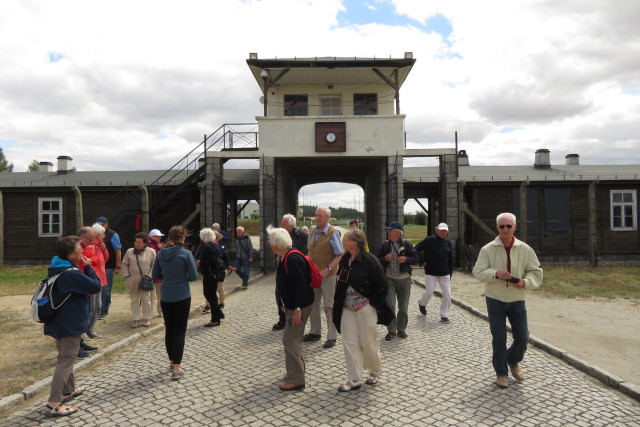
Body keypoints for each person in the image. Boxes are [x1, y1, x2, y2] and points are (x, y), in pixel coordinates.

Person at [472, 212, 543, 389]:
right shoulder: (488, 249)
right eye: (502, 226)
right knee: (499, 337)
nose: (505, 229)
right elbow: (478, 272)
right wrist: (495, 273)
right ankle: (501, 373)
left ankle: (513, 360)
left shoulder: (525, 249)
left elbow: (536, 272)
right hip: (494, 299)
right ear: (497, 228)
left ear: (514, 227)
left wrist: (525, 282)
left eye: (508, 226)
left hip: (517, 299)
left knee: (522, 336)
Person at [43, 236, 101, 417]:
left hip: (58, 321)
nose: (81, 250)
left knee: (66, 356)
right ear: (70, 254)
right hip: (69, 323)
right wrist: (89, 267)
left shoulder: (57, 268)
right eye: (78, 248)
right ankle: (53, 403)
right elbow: (95, 286)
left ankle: (69, 391)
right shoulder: (70, 273)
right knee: (66, 360)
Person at [333, 229, 394, 392]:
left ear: (355, 243)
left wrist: (372, 303)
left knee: (368, 340)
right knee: (349, 341)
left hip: (365, 306)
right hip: (347, 307)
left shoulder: (370, 260)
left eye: (345, 239)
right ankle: (354, 379)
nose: (343, 242)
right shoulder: (346, 258)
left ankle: (375, 369)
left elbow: (382, 284)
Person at [267, 225, 314, 392]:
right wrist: (283, 302)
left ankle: (296, 379)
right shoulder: (286, 256)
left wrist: (297, 310)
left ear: (276, 244)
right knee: (294, 340)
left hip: (299, 306)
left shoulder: (292, 258)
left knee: (289, 340)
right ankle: (296, 372)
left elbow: (301, 286)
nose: (269, 245)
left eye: (270, 242)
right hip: (293, 306)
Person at [152, 226, 198, 380]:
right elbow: (193, 276)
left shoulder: (160, 254)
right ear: (183, 238)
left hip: (166, 296)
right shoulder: (186, 254)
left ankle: (172, 360)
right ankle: (177, 369)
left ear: (170, 238)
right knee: (180, 331)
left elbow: (156, 275)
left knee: (169, 329)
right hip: (182, 296)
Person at [304, 206, 345, 349]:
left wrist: (328, 269)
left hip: (328, 275)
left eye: (320, 216)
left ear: (328, 218)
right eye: (316, 215)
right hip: (313, 275)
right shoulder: (312, 231)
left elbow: (339, 254)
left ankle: (332, 336)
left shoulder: (333, 233)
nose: (317, 218)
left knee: (329, 305)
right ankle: (315, 332)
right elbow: (309, 251)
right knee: (313, 304)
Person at [377, 221, 418, 341]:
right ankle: (391, 330)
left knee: (403, 307)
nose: (388, 232)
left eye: (390, 230)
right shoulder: (385, 245)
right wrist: (385, 258)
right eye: (388, 230)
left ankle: (401, 329)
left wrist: (406, 259)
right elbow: (377, 260)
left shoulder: (407, 244)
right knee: (390, 305)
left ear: (398, 232)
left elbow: (416, 259)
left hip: (404, 280)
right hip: (389, 279)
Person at [272, 213, 306, 331]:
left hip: (293, 267)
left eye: (283, 223)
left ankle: (294, 316)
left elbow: (305, 252)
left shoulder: (301, 235)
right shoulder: (280, 234)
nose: (281, 225)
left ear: (291, 225)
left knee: (293, 294)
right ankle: (282, 319)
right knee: (279, 294)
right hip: (282, 267)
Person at [415, 222, 453, 323]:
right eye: (441, 231)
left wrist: (450, 274)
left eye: (445, 231)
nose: (443, 233)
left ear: (447, 232)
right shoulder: (429, 240)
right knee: (429, 292)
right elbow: (416, 249)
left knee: (447, 294)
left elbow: (450, 260)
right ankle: (422, 304)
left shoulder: (448, 243)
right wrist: (422, 261)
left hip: (445, 273)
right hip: (430, 272)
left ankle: (444, 315)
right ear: (437, 231)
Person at [121, 232, 157, 328]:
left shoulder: (151, 251)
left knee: (146, 299)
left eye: (139, 242)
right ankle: (135, 319)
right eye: (136, 242)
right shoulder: (129, 251)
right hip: (132, 280)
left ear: (145, 243)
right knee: (134, 300)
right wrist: (126, 276)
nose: (136, 244)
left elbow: (155, 265)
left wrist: (150, 276)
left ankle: (147, 318)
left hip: (146, 280)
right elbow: (124, 264)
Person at [198, 228, 229, 327]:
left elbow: (212, 260)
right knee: (212, 295)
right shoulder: (217, 246)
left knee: (209, 295)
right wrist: (227, 265)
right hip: (216, 273)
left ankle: (215, 319)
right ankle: (218, 313)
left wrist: (200, 262)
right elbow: (225, 257)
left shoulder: (207, 247)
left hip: (210, 274)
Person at [86, 223, 109, 339]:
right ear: (98, 234)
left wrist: (104, 250)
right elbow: (92, 262)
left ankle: (90, 328)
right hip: (94, 279)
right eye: (103, 234)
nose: (104, 236)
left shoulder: (100, 245)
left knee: (98, 306)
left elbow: (105, 259)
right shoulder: (91, 246)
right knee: (92, 307)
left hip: (99, 278)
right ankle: (86, 330)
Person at [97, 217, 122, 319]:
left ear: (106, 224)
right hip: (97, 266)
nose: (100, 226)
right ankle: (98, 309)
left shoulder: (113, 234)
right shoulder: (95, 234)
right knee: (97, 289)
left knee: (106, 289)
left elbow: (118, 250)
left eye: (102, 224)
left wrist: (118, 266)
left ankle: (104, 310)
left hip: (109, 266)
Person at [147, 229, 165, 318]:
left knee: (160, 294)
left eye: (160, 236)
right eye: (157, 236)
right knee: (151, 295)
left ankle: (160, 310)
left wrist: (161, 247)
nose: (159, 238)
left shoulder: (162, 246)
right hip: (151, 273)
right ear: (152, 237)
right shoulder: (148, 246)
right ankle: (149, 313)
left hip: (160, 273)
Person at [211, 223, 229, 310]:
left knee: (220, 287)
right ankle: (208, 304)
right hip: (212, 271)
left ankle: (222, 302)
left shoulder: (221, 247)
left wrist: (226, 266)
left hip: (220, 270)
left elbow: (226, 258)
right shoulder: (208, 247)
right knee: (210, 289)